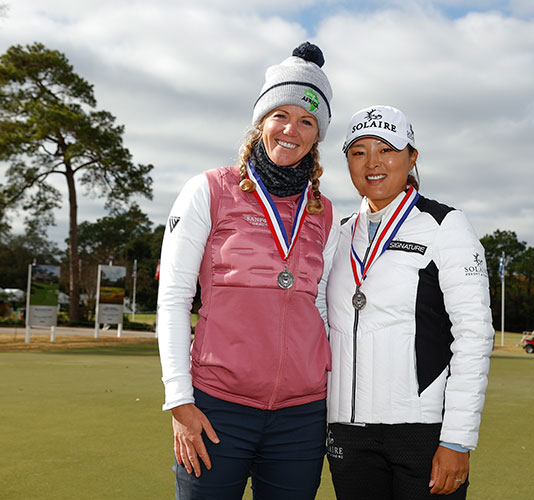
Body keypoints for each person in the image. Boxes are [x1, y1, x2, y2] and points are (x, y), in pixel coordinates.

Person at [156, 42, 339, 500]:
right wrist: (179, 400)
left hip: (301, 418)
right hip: (218, 408)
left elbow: (322, 307)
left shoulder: (326, 212)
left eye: (307, 121)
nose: (291, 129)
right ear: (261, 121)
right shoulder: (208, 190)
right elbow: (174, 298)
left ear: (318, 135)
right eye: (281, 114)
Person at [325, 105, 495, 499]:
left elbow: (473, 335)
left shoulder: (446, 225)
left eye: (386, 149)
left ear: (412, 157)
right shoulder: (338, 234)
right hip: (348, 433)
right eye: (358, 152)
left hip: (422, 432)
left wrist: (457, 440)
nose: (373, 163)